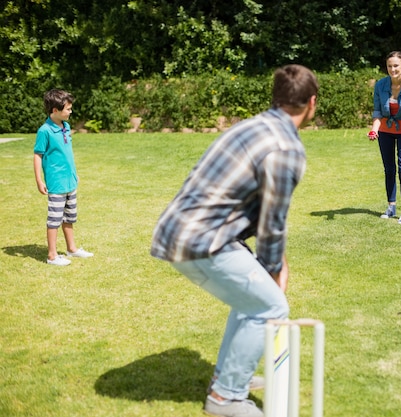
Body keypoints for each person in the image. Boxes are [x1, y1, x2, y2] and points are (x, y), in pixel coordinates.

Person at [150, 64, 318, 417]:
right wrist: (272, 269)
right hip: (203, 240)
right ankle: (225, 397)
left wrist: (273, 262)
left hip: (180, 231)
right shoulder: (287, 148)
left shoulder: (249, 126)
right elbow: (272, 221)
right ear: (312, 104)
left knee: (250, 301)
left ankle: (226, 379)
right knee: (270, 306)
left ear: (275, 98)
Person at [33, 89, 93, 266]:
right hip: (56, 183)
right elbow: (38, 155)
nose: (70, 112)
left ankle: (71, 249)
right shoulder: (44, 131)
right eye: (68, 109)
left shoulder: (65, 127)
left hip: (70, 182)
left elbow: (67, 154)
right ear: (55, 111)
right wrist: (39, 180)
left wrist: (74, 174)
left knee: (69, 217)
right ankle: (52, 255)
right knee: (54, 219)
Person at [368, 51, 401, 225]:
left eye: (396, 65)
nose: (393, 69)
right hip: (385, 131)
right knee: (389, 169)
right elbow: (377, 112)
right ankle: (391, 206)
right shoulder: (380, 85)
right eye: (390, 66)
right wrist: (374, 130)